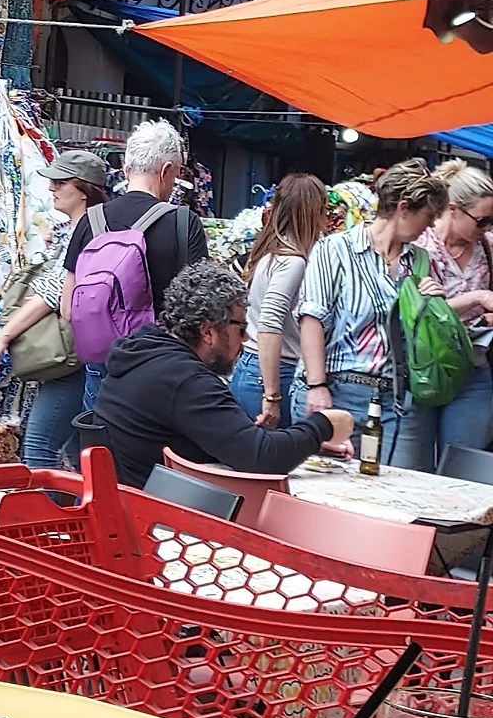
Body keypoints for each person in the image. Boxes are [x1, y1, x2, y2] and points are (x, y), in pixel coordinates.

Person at [92, 260, 353, 488]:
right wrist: (322, 426)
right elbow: (263, 458)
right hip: (159, 517)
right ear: (208, 331)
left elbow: (239, 443)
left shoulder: (144, 352)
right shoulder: (184, 379)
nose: (246, 337)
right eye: (240, 327)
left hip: (132, 503)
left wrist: (302, 444)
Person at [294, 157, 447, 461]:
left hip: (397, 399)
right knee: (329, 483)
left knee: (396, 483)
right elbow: (312, 319)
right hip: (338, 389)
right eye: (428, 216)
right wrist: (317, 385)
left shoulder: (419, 261)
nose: (431, 225)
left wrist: (434, 305)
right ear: (404, 208)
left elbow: (421, 336)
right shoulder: (335, 249)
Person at [60, 118, 209, 415]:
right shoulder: (183, 223)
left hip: (103, 364)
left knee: (100, 441)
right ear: (166, 171)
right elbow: (199, 306)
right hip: (162, 367)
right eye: (176, 174)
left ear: (126, 170)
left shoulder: (91, 220)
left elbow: (67, 308)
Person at [0, 148, 109, 470]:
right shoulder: (89, 229)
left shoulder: (86, 233)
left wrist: (3, 336)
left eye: (61, 183)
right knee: (81, 451)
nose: (52, 188)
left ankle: (48, 507)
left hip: (73, 358)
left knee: (40, 447)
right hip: (86, 355)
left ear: (83, 190)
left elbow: (53, 293)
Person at [394, 162, 493, 467]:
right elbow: (413, 311)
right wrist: (476, 298)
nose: (486, 228)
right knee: (414, 467)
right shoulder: (419, 247)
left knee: (462, 463)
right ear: (453, 210)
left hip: (473, 363)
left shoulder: (488, 248)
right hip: (425, 366)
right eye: (482, 220)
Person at [232, 173, 330, 429]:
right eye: (324, 208)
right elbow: (269, 324)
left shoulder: (270, 255)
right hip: (274, 373)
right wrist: (272, 395)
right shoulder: (293, 262)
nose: (327, 218)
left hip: (255, 369)